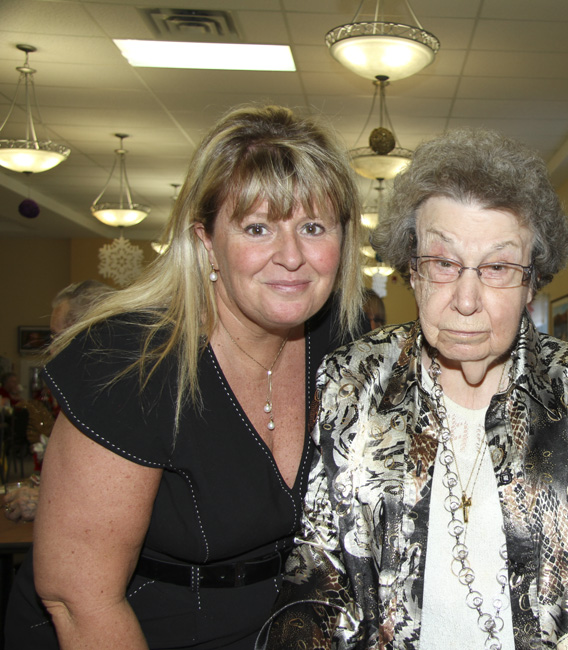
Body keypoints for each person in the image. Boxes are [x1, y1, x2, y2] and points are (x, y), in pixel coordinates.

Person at [260, 128, 568, 649]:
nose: (466, 299)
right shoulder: (355, 383)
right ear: (411, 272)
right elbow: (318, 574)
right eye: (443, 263)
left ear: (531, 283)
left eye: (498, 267)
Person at [5, 105, 364, 649]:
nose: (291, 257)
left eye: (313, 227)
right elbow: (79, 598)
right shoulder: (129, 359)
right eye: (258, 227)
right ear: (205, 241)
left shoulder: (339, 340)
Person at [3, 280, 114, 524]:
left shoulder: (112, 398)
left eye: (57, 336)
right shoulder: (88, 392)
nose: (52, 349)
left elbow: (107, 496)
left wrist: (42, 501)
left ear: (89, 334)